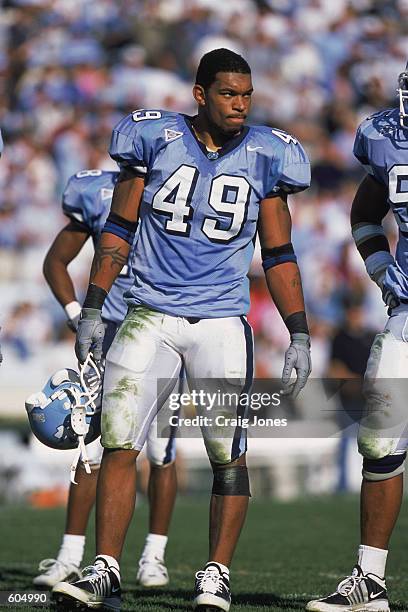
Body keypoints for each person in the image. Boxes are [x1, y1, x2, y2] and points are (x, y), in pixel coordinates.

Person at [53, 48, 312, 612]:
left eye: (246, 94)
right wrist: (94, 306)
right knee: (121, 439)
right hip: (149, 311)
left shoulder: (269, 154)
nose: (240, 105)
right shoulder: (155, 138)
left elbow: (280, 252)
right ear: (200, 95)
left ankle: (214, 575)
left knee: (226, 450)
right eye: (227, 94)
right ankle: (105, 569)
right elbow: (118, 229)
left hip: (222, 319)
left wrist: (298, 331)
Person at [37, 168, 177, 588]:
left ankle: (153, 555)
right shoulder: (97, 191)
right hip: (112, 331)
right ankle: (70, 556)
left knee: (160, 451)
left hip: (165, 330)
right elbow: (55, 261)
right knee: (90, 448)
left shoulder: (187, 184)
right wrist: (74, 312)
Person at [306, 64, 408, 612]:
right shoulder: (386, 142)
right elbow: (366, 209)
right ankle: (369, 582)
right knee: (379, 440)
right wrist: (377, 264)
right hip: (407, 316)